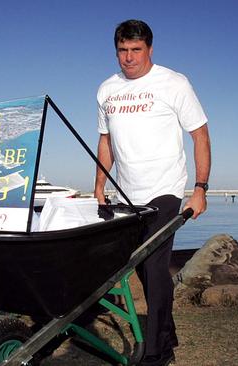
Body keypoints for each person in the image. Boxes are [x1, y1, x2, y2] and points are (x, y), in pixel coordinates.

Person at [94, 19, 211, 366]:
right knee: (144, 270)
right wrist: (99, 186)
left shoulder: (174, 83)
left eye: (136, 50)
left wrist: (200, 189)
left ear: (149, 49)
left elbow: (200, 135)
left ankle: (157, 353)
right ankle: (168, 332)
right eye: (122, 51)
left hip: (165, 190)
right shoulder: (106, 90)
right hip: (127, 196)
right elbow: (106, 141)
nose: (129, 58)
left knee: (154, 266)